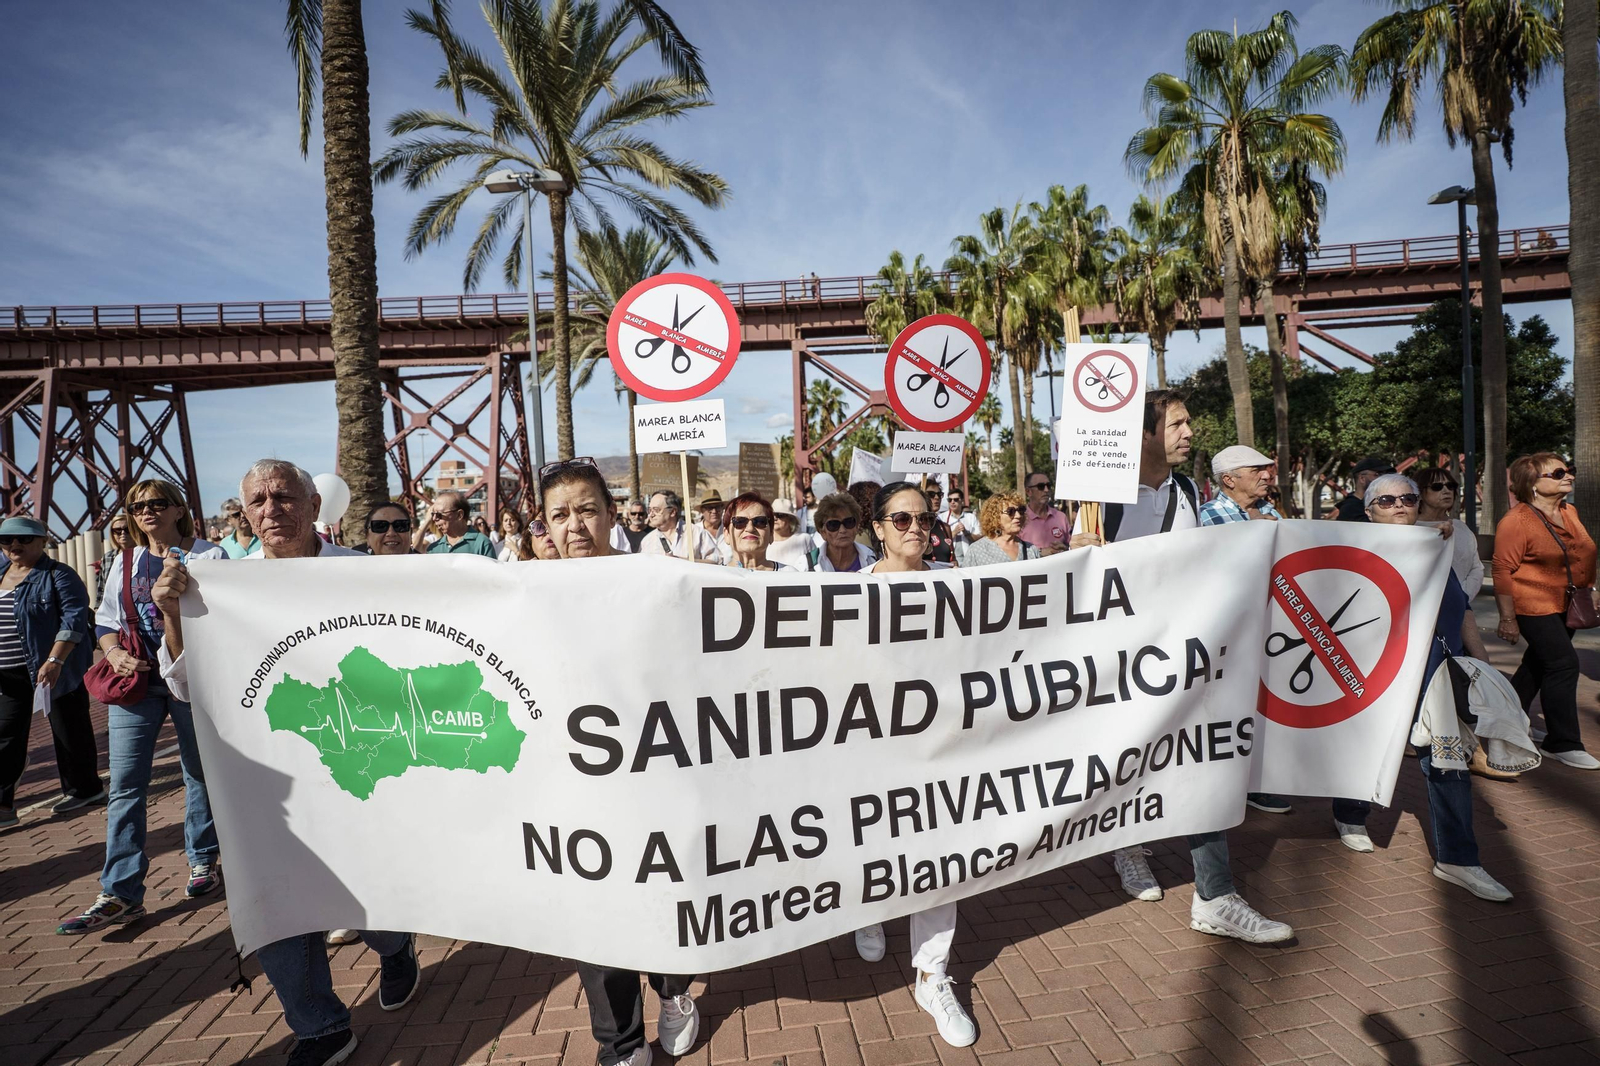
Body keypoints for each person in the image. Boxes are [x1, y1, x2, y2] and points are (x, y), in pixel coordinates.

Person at [151, 459, 421, 1066]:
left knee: (363, 894)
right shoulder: (220, 585)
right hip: (266, 778)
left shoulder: (361, 573)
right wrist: (173, 614)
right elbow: (190, 685)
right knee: (275, 899)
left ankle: (394, 943)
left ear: (311, 503)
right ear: (243, 513)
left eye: (284, 497)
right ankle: (321, 1027)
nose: (272, 510)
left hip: (357, 768)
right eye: (258, 501)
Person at [1070, 390, 1292, 943]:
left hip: (1187, 660)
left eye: (1189, 421)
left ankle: (1215, 897)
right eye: (1177, 423)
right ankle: (1128, 848)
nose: (1189, 431)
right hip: (1123, 664)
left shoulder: (1189, 490)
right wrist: (1076, 552)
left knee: (1204, 765)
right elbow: (1071, 586)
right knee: (1129, 763)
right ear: (1144, 432)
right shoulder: (1101, 502)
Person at [539, 458, 701, 1066]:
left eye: (586, 509)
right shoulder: (521, 592)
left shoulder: (655, 579)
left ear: (611, 514)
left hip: (659, 775)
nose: (575, 524)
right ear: (546, 526)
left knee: (667, 895)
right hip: (576, 787)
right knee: (597, 914)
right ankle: (621, 1043)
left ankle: (676, 989)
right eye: (560, 514)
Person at [1326, 474, 1513, 900]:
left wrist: (1483, 663)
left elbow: (1461, 609)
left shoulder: (1435, 550)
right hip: (1375, 680)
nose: (1399, 505)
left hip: (1434, 677)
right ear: (1369, 510)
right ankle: (1350, 815)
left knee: (1447, 765)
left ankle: (1458, 859)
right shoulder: (1355, 550)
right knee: (1367, 750)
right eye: (1386, 500)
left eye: (1408, 498)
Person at [57, 480, 225, 935]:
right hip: (138, 683)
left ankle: (203, 860)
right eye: (137, 505)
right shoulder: (125, 560)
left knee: (199, 773)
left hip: (193, 678)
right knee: (126, 785)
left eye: (156, 503)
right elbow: (106, 619)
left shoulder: (211, 556)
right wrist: (113, 653)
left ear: (178, 510)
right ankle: (120, 892)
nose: (146, 511)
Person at [850, 482, 975, 1048]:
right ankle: (868, 908)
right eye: (900, 519)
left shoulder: (958, 586)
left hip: (940, 747)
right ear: (877, 528)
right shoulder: (846, 596)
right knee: (873, 845)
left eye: (924, 518)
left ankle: (932, 973)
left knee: (941, 858)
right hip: (872, 749)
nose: (914, 528)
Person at [1493, 453, 1597, 769]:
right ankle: (1562, 743)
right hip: (1531, 605)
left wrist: (1590, 587)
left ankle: (1507, 717)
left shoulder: (1569, 511)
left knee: (1538, 665)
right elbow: (1502, 570)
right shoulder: (1516, 521)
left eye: (1569, 470)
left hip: (1567, 602)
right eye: (1558, 473)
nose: (1568, 476)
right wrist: (1508, 618)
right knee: (1564, 663)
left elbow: (1581, 554)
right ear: (1533, 485)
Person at [0, 517, 103, 829]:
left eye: (24, 539)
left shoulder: (59, 575)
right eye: (6, 541)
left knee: (69, 729)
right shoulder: (1, 572)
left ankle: (85, 790)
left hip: (53, 669)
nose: (14, 545)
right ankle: (4, 807)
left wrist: (55, 660)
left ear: (42, 541)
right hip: (8, 673)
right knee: (5, 737)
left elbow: (73, 619)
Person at [1416, 469, 1485, 598]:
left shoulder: (1461, 527)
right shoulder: (1411, 529)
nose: (1446, 491)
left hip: (1461, 607)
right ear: (1419, 493)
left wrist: (1462, 598)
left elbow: (1476, 568)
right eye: (1437, 487)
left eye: (1450, 486)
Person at [1197, 445, 1281, 524]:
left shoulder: (1270, 511)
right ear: (1229, 480)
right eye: (1256, 470)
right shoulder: (1205, 517)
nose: (1267, 476)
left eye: (1264, 469)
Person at [803, 492, 876, 572]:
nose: (842, 530)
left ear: (856, 527)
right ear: (823, 532)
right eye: (833, 524)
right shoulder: (806, 565)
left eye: (848, 522)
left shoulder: (873, 558)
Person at [641, 490, 720, 562]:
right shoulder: (647, 541)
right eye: (650, 510)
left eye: (656, 510)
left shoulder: (696, 533)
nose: (651, 515)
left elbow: (716, 561)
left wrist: (684, 562)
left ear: (672, 512)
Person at [963, 492, 1040, 566]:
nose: (1018, 516)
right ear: (995, 517)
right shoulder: (977, 551)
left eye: (1021, 510)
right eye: (1011, 511)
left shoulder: (1031, 550)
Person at [415, 492, 498, 557]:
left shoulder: (482, 543)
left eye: (439, 514)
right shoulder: (434, 549)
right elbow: (413, 551)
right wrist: (426, 522)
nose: (434, 519)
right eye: (433, 515)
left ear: (459, 515)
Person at [723, 492, 782, 570]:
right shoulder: (713, 579)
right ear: (727, 534)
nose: (750, 528)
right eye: (740, 521)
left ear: (771, 534)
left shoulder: (790, 576)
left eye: (760, 521)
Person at [1020, 473, 1070, 553]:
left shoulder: (1061, 517)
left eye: (1048, 485)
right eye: (1041, 486)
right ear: (1028, 491)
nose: (1046, 490)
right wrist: (1040, 553)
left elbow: (1071, 546)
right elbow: (1014, 553)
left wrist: (1066, 548)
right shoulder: (1019, 519)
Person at [1333, 457, 1395, 522]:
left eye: (1385, 475)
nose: (1383, 478)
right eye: (1377, 474)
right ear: (1362, 478)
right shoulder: (1351, 509)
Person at [96, 514, 132, 605]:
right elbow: (102, 589)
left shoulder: (144, 553)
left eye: (127, 529)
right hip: (113, 610)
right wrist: (97, 609)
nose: (123, 533)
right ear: (112, 533)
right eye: (118, 530)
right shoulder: (107, 558)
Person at [921, 483, 957, 565]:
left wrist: (954, 563)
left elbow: (952, 558)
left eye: (939, 494)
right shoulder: (915, 526)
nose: (937, 498)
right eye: (931, 494)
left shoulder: (945, 527)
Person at [942, 488, 980, 563]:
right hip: (950, 560)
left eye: (955, 499)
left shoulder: (971, 517)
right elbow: (940, 542)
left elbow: (978, 538)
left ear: (962, 501)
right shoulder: (942, 518)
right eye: (950, 500)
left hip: (969, 558)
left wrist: (966, 533)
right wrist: (953, 533)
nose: (952, 502)